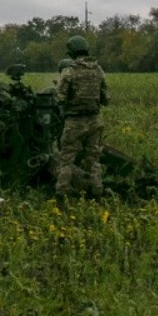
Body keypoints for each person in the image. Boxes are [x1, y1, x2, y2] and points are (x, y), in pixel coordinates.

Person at [54, 35, 109, 198]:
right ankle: (98, 192)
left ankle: (61, 193)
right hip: (95, 121)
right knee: (93, 159)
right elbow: (106, 98)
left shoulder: (69, 71)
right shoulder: (99, 70)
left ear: (71, 53)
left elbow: (59, 98)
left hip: (75, 123)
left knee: (66, 159)